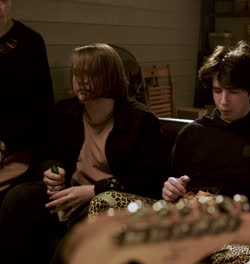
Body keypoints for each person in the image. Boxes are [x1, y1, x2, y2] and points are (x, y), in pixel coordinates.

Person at [0, 43, 170, 263]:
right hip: (70, 190)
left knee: (87, 223)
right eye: (77, 73)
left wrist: (94, 190)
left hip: (109, 200)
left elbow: (150, 180)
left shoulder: (140, 120)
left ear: (110, 77)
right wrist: (53, 171)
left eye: (90, 74)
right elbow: (48, 155)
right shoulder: (65, 111)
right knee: (19, 196)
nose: (80, 80)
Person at [162, 41, 250, 215]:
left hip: (243, 228)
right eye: (217, 91)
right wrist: (170, 189)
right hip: (190, 222)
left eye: (233, 92)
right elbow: (170, 186)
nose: (223, 101)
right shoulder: (192, 133)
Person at [0, 0, 54, 202]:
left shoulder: (29, 41)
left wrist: (6, 142)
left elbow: (42, 106)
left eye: (3, 0)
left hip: (19, 148)